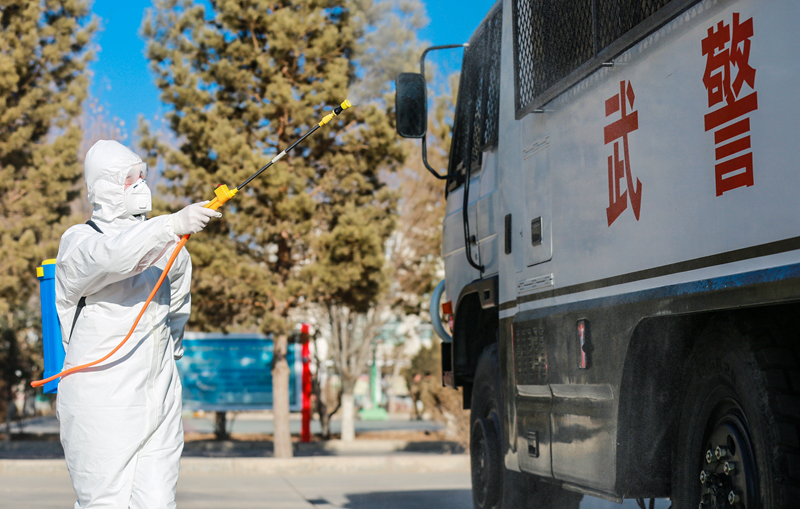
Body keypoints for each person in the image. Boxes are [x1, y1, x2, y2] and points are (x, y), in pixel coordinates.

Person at [55, 140, 219, 508]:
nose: (140, 185)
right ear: (103, 186)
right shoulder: (79, 242)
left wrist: (172, 346)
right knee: (104, 502)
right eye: (128, 179)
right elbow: (112, 259)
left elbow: (178, 303)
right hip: (101, 398)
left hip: (158, 395)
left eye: (142, 176)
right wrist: (170, 225)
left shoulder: (169, 247)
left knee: (158, 502)